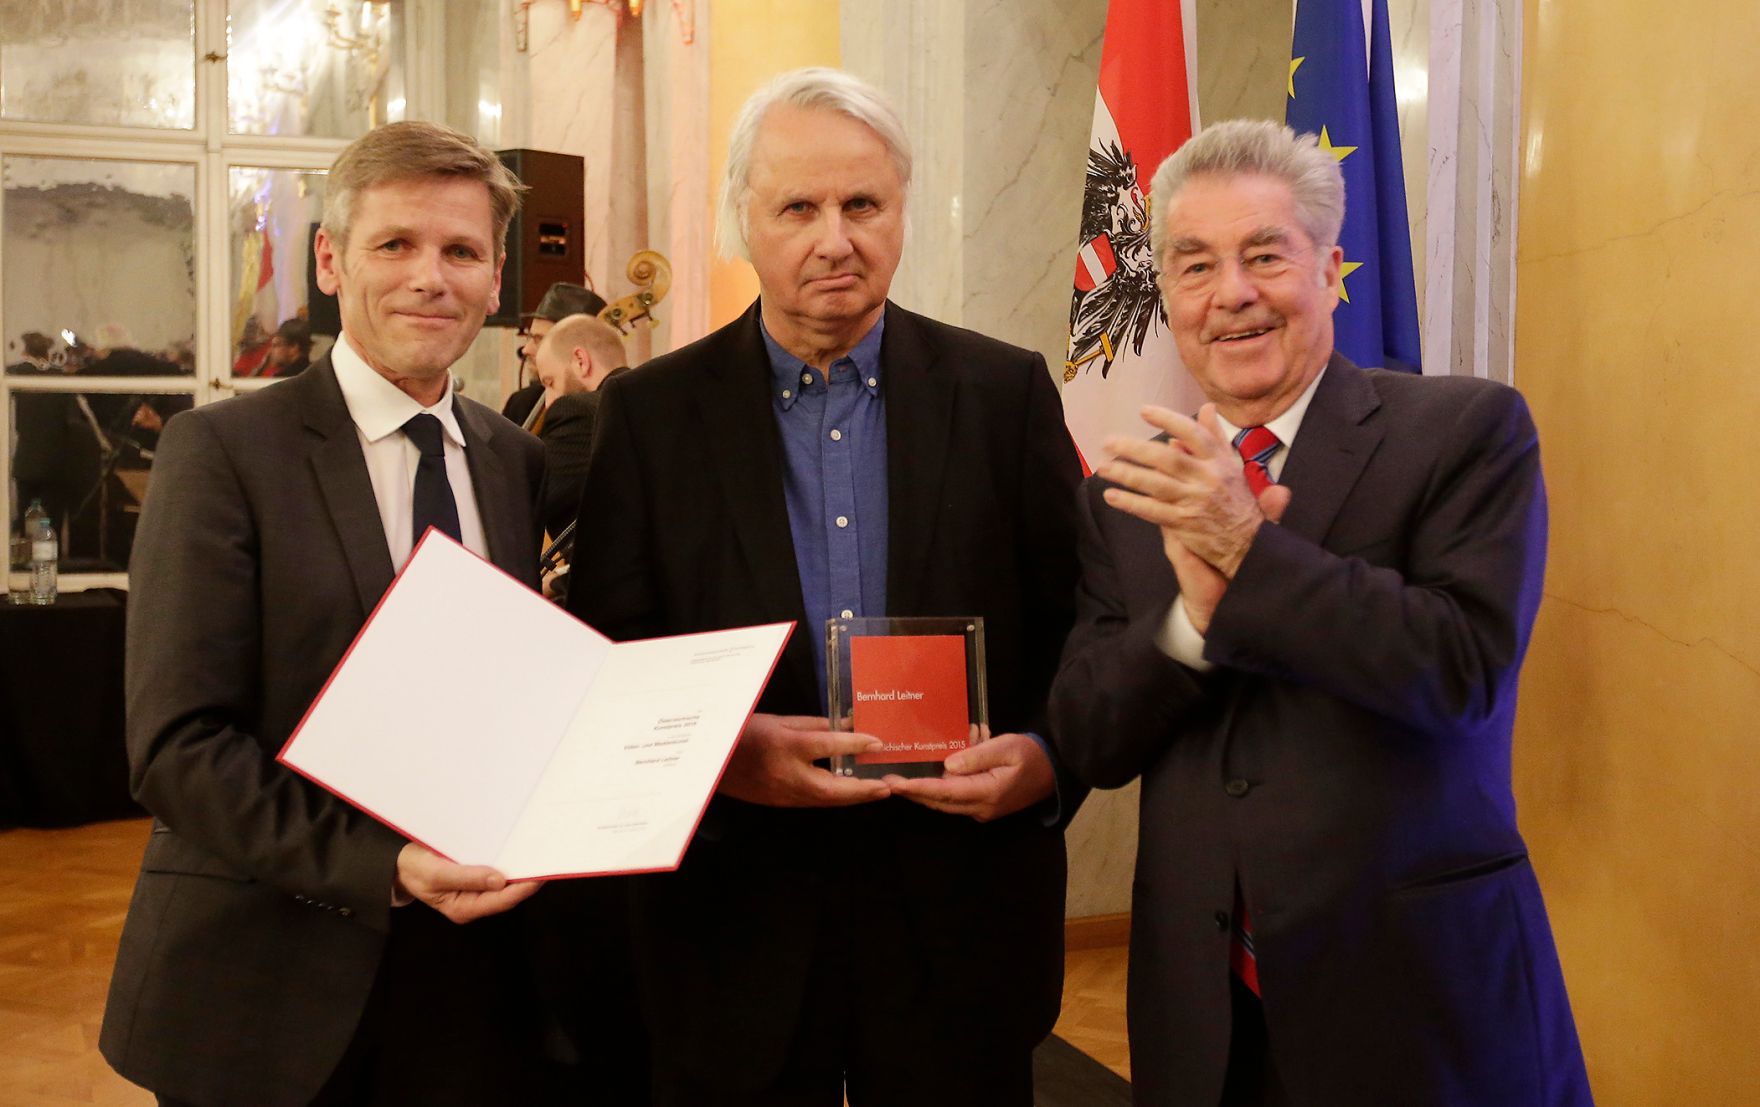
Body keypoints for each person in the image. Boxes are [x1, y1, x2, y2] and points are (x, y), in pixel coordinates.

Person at [567, 67, 1083, 1106]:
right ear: (740, 223)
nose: (832, 238)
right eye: (795, 207)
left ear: (902, 212)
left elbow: (1078, 625)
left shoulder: (1003, 393)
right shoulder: (649, 417)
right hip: (733, 918)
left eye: (862, 204)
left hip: (958, 909)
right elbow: (608, 661)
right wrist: (723, 754)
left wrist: (1044, 757)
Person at [1048, 119, 1590, 1106]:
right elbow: (1088, 736)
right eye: (1194, 266)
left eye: (1264, 255)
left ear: (1329, 268)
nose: (1232, 295)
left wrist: (1248, 553)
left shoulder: (1463, 431)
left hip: (1414, 1001)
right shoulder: (1124, 494)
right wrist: (1192, 622)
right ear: (1163, 295)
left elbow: (1458, 669)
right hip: (1204, 1019)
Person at [100, 120, 561, 1107]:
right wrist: (386, 866)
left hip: (475, 980)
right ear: (329, 259)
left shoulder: (515, 462)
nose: (429, 278)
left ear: (494, 279)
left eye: (461, 251)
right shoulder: (222, 452)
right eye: (394, 244)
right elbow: (177, 747)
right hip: (270, 982)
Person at [530, 311, 629, 538]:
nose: (549, 402)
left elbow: (523, 503)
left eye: (550, 382)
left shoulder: (576, 411)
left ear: (581, 361)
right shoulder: (654, 404)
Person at [501, 281, 607, 427]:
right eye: (530, 337)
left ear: (580, 354)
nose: (526, 350)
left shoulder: (607, 409)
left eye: (540, 340)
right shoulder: (521, 403)